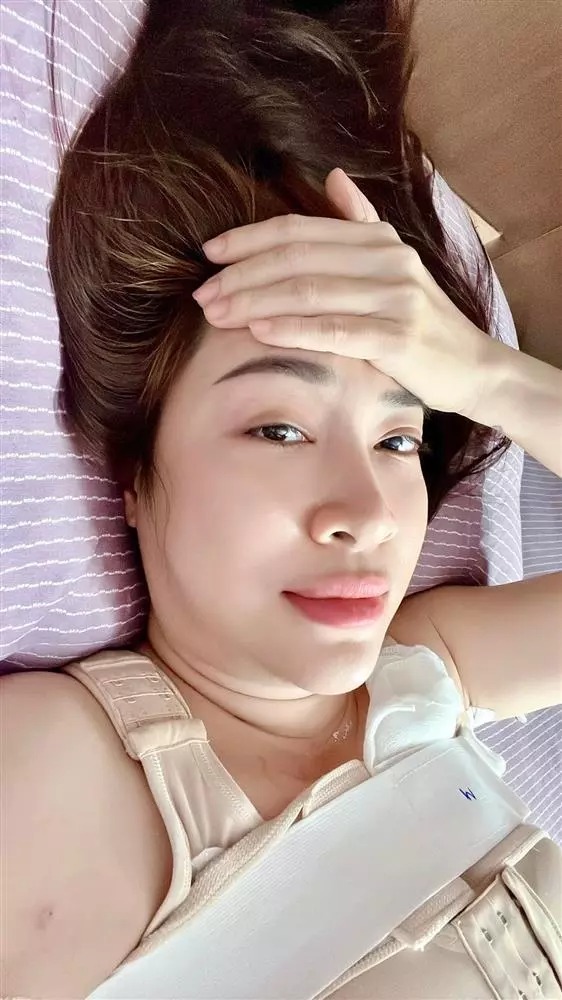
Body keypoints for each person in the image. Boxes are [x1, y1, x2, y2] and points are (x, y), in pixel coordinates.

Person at [2, 1, 561, 997]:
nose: (367, 513)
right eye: (279, 430)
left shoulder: (425, 672)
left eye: (398, 439)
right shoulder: (63, 767)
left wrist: (484, 374)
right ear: (132, 474)